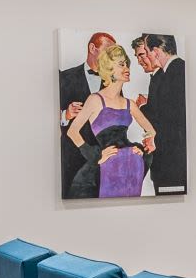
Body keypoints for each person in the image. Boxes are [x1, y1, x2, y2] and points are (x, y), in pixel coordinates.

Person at [66, 39, 149, 199]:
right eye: (121, 64)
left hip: (131, 166)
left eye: (127, 64)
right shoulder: (95, 99)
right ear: (109, 70)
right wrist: (95, 155)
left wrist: (142, 149)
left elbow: (152, 131)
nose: (127, 68)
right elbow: (72, 131)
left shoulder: (130, 103)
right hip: (107, 167)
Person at [59, 32, 111, 198]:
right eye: (108, 51)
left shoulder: (112, 82)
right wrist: (65, 114)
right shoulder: (65, 77)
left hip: (103, 159)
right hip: (73, 158)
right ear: (92, 48)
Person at [132, 34, 185, 195]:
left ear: (155, 51)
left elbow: (171, 120)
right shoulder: (161, 75)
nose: (142, 60)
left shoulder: (173, 72)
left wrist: (142, 107)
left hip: (171, 164)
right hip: (165, 164)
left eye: (144, 53)